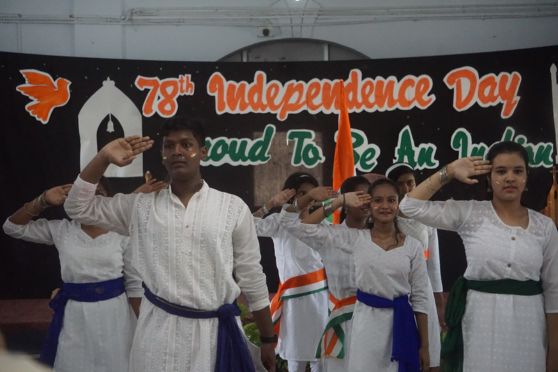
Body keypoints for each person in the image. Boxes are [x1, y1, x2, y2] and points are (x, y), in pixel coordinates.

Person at [64, 118, 276, 372]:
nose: (177, 151)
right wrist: (103, 158)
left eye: (187, 145)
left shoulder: (232, 208)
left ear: (203, 151)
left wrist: (267, 339)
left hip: (214, 336)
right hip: (157, 334)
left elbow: (251, 277)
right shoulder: (140, 206)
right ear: (163, 155)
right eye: (169, 146)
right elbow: (77, 207)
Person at [399, 141, 558, 372]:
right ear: (489, 178)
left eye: (517, 171)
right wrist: (449, 172)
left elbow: (554, 293)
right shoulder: (470, 213)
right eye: (501, 171)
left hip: (530, 328)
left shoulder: (545, 227)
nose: (509, 178)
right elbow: (409, 207)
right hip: (480, 325)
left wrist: (554, 353)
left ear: (526, 178)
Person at [281, 178, 431, 372]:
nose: (382, 205)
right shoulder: (345, 237)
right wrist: (338, 201)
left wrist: (425, 346)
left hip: (397, 323)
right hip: (352, 322)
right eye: (372, 199)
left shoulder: (411, 243)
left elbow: (420, 297)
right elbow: (299, 227)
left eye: (390, 200)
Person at [2, 179, 141, 372]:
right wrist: (43, 200)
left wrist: (141, 328)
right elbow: (12, 227)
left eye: (99, 191)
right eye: (87, 192)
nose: (93, 196)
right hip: (75, 315)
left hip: (116, 316)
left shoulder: (122, 232)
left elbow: (134, 285)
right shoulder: (62, 230)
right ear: (75, 198)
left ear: (109, 198)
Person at [253, 172, 335, 372]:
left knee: (320, 358)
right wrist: (270, 204)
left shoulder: (324, 225)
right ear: (290, 195)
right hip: (292, 302)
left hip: (320, 299)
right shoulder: (279, 221)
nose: (306, 198)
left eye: (311, 193)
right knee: (295, 359)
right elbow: (245, 225)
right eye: (301, 193)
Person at [300, 175, 370, 372]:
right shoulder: (331, 234)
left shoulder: (382, 235)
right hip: (341, 320)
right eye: (359, 196)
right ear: (346, 204)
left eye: (369, 197)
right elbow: (303, 228)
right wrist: (337, 201)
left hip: (376, 318)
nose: (366, 202)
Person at [386, 163, 444, 370]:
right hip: (394, 288)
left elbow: (433, 262)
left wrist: (438, 298)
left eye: (410, 182)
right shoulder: (384, 216)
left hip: (423, 287)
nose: (406, 188)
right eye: (400, 184)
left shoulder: (426, 214)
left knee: (428, 345)